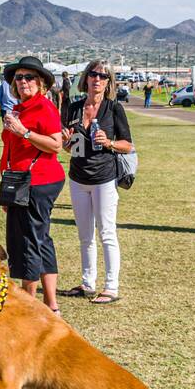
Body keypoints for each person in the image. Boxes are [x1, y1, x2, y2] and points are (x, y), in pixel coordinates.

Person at [59, 59, 133, 304]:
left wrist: (109, 142)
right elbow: (70, 147)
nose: (97, 79)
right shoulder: (74, 106)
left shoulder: (113, 109)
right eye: (94, 74)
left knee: (107, 232)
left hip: (104, 177)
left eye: (103, 76)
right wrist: (66, 143)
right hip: (78, 177)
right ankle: (87, 283)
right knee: (84, 235)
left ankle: (111, 286)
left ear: (109, 82)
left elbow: (128, 145)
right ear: (86, 78)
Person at [1, 55, 65, 312]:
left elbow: (56, 144)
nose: (23, 81)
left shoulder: (44, 107)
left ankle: (29, 306)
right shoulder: (19, 108)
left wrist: (23, 132)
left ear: (40, 83)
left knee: (29, 241)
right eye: (19, 77)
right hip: (20, 183)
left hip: (39, 181)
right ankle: (51, 304)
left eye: (29, 77)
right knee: (40, 239)